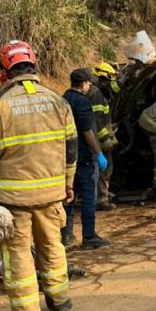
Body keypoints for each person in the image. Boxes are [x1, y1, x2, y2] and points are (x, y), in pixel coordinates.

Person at [0, 41, 76, 311]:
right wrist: (68, 183)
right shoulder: (58, 101)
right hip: (52, 195)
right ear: (34, 66)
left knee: (17, 256)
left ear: (5, 72)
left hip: (13, 200)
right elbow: (71, 149)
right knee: (52, 246)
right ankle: (60, 299)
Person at [62, 69, 111, 250]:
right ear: (83, 84)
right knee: (89, 197)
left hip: (67, 157)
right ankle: (89, 236)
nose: (90, 85)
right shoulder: (83, 102)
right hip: (84, 157)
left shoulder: (62, 100)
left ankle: (66, 235)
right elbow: (87, 131)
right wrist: (98, 152)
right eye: (89, 83)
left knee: (68, 195)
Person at [88, 63, 117, 211]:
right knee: (105, 168)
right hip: (97, 140)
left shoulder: (95, 91)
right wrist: (105, 139)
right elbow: (97, 120)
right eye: (109, 81)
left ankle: (98, 196)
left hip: (93, 138)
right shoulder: (96, 94)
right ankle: (101, 199)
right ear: (103, 78)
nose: (110, 85)